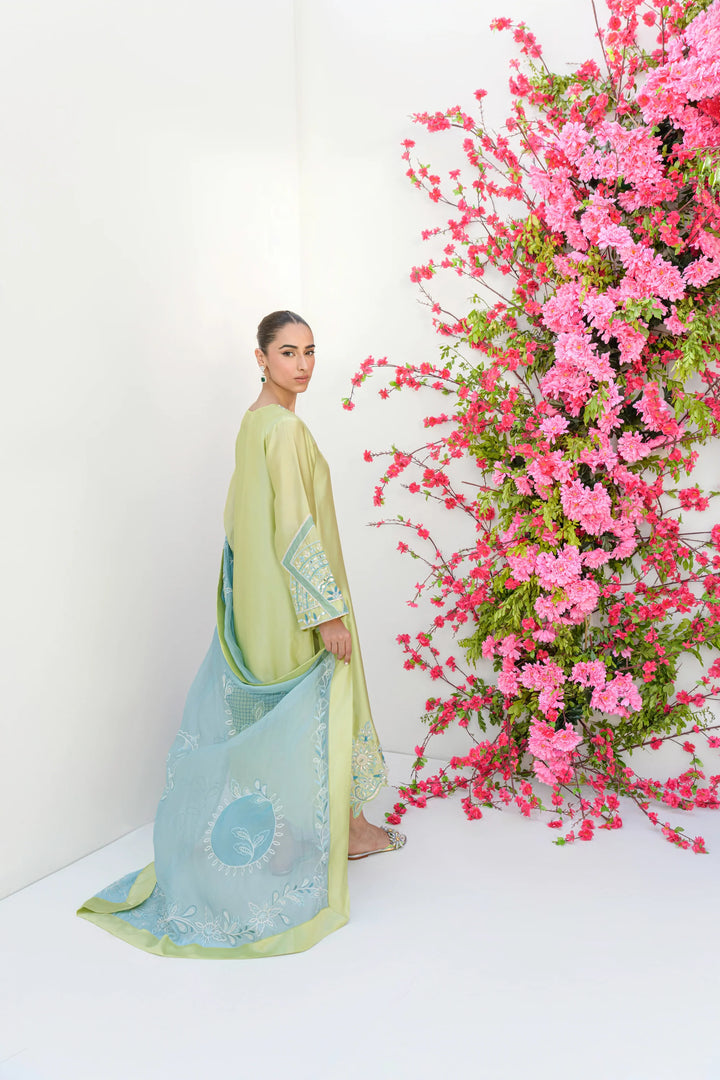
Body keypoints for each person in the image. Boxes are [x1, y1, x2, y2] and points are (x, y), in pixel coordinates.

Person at [76, 310, 404, 958]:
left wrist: (235, 603)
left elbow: (234, 520)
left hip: (259, 603)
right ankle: (345, 830)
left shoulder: (252, 424)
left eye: (311, 351)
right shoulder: (282, 430)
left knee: (277, 718)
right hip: (294, 602)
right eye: (288, 352)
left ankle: (313, 832)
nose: (303, 365)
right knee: (321, 706)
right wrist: (327, 612)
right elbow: (292, 527)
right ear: (260, 358)